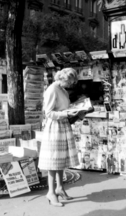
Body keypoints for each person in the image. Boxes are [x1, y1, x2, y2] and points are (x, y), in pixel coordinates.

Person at [38, 68, 85, 207]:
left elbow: (64, 107)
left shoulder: (63, 90)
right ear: (64, 78)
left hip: (63, 127)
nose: (72, 84)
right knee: (53, 160)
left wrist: (77, 110)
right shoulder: (52, 89)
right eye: (71, 81)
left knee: (61, 160)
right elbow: (49, 113)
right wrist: (67, 114)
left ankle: (59, 188)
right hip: (55, 128)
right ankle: (51, 193)